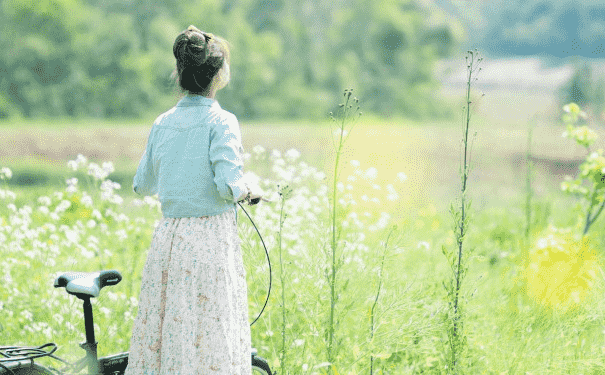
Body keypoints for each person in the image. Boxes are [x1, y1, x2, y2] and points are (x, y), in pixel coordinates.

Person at [124, 25, 264, 374]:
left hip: (170, 242)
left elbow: (142, 184)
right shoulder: (222, 121)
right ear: (218, 74)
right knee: (210, 331)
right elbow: (229, 186)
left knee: (171, 331)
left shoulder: (163, 123)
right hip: (210, 242)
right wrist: (250, 189)